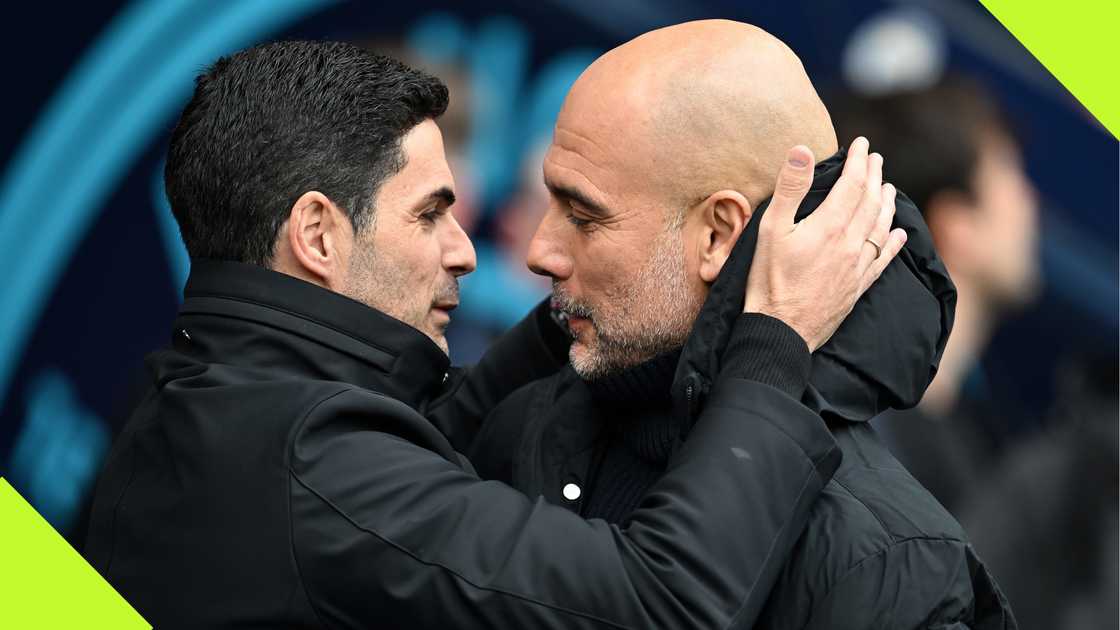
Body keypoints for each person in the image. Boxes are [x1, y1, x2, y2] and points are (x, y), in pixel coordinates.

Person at [82, 41, 899, 628]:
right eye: (432, 212)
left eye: (582, 215)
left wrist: (580, 307)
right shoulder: (317, 467)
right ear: (319, 235)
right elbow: (663, 602)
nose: (466, 250)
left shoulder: (201, 401)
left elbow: (426, 450)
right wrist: (773, 336)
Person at [470, 20, 1016, 628]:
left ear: (718, 234)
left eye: (583, 214)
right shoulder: (525, 423)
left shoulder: (881, 563)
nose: (540, 250)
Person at [832, 77, 1041, 514]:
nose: (1028, 202)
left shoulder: (967, 437)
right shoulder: (880, 454)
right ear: (956, 227)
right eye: (1009, 177)